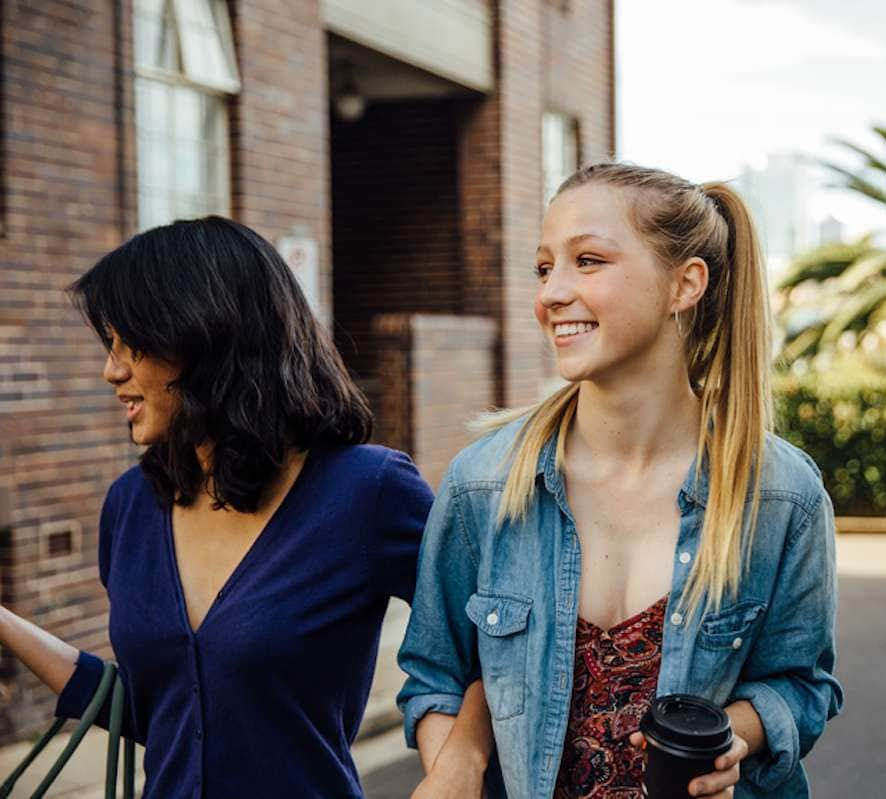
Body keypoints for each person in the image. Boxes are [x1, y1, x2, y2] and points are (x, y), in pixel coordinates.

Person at [398, 163, 843, 798]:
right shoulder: (484, 485)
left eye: (588, 261)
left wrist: (728, 740)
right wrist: (456, 763)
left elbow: (802, 685)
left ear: (683, 285)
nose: (551, 294)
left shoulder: (780, 496)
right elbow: (436, 674)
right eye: (545, 267)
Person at [0, 217, 433, 797]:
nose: (113, 371)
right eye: (111, 346)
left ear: (207, 340)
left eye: (134, 345)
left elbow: (482, 643)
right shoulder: (130, 508)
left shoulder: (368, 491)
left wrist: (454, 765)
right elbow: (168, 712)